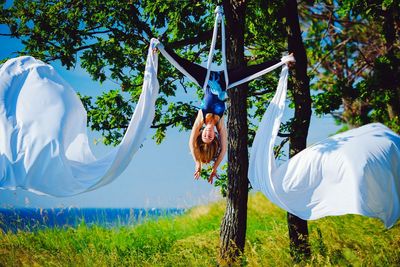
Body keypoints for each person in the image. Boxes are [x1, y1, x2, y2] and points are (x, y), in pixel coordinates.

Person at [153, 42, 295, 183]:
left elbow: (191, 144)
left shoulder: (200, 120)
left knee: (182, 63)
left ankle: (160, 47)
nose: (207, 134)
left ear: (201, 132)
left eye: (204, 136)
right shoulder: (220, 124)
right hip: (224, 80)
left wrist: (197, 162)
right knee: (252, 72)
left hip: (205, 78)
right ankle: (283, 60)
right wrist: (215, 168)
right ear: (214, 136)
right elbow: (223, 150)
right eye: (210, 137)